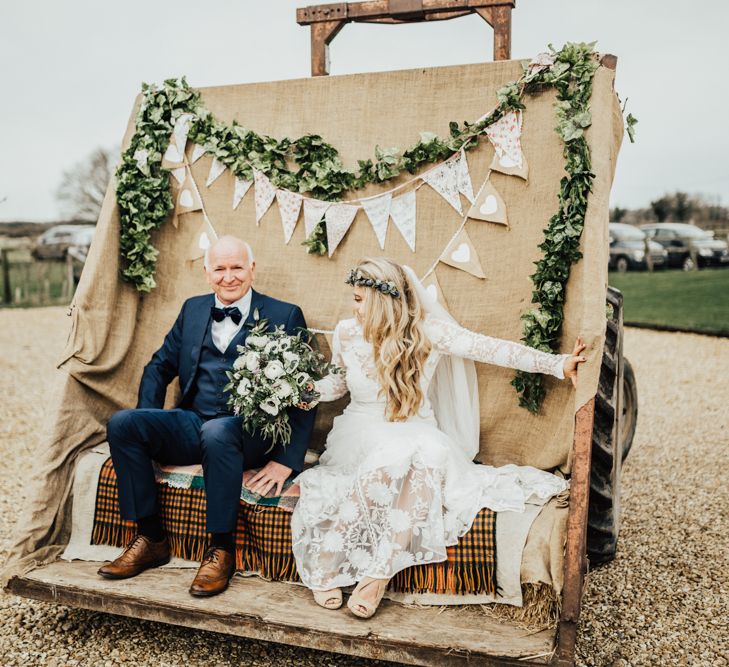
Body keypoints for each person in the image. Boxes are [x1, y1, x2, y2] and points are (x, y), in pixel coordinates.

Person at [291, 258, 587, 618]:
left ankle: (376, 574)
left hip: (414, 427)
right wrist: (310, 390)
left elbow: (490, 348)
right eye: (353, 298)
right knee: (404, 457)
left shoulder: (428, 332)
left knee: (428, 451)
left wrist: (557, 364)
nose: (353, 307)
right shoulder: (346, 332)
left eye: (359, 299)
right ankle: (336, 562)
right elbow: (339, 382)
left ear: (383, 301)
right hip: (361, 430)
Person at [99, 235, 316, 597]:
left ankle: (221, 550)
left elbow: (307, 392)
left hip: (249, 434)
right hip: (194, 422)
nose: (228, 277)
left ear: (252, 269)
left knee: (218, 432)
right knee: (124, 424)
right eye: (219, 268)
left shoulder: (284, 314)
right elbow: (158, 366)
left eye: (236, 267)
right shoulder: (193, 309)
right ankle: (151, 538)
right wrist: (149, 415)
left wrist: (285, 461)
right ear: (206, 273)